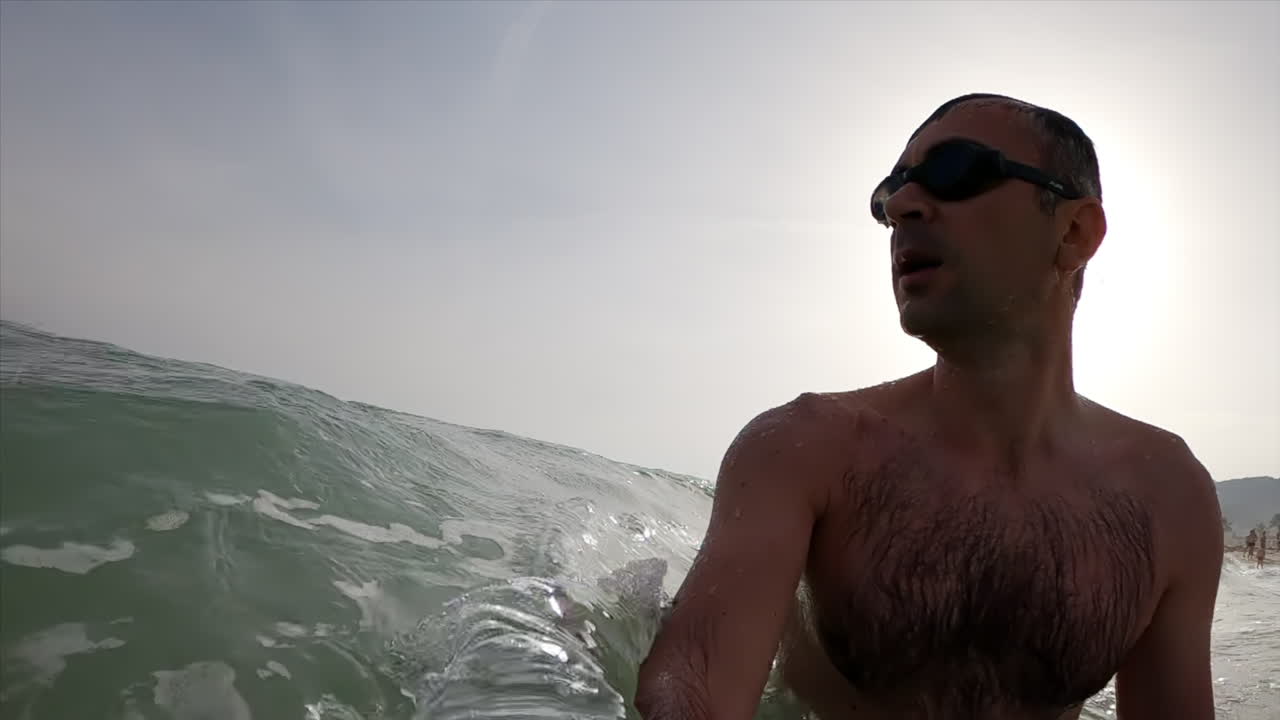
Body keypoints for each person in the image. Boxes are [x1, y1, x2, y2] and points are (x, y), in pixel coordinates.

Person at [635, 93, 1224, 720]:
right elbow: (693, 684)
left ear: (1074, 232)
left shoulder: (1168, 497)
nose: (899, 207)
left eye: (956, 172)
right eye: (890, 189)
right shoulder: (804, 450)